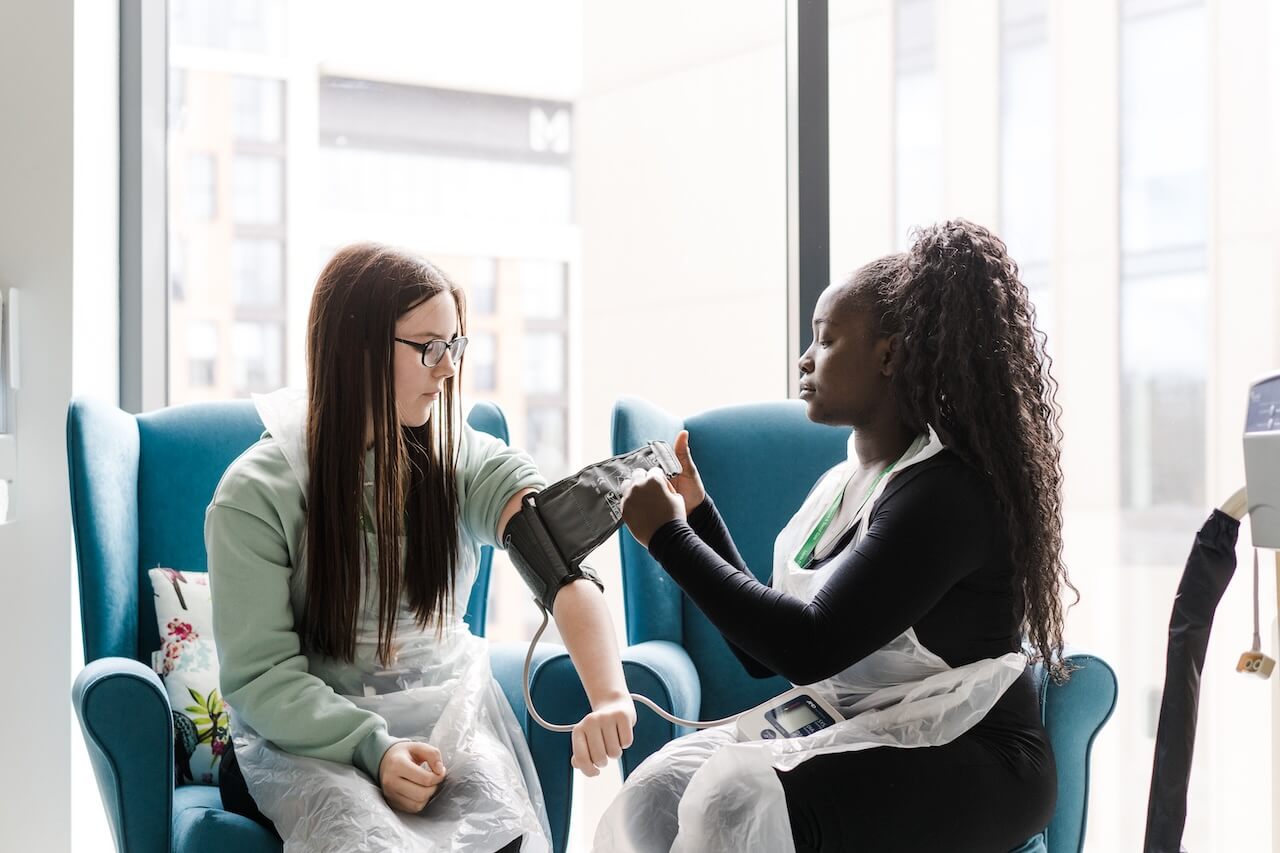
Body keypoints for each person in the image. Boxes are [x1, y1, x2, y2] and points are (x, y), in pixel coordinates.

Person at [602, 219, 1072, 852]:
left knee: (732, 799)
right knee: (660, 787)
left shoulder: (946, 493)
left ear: (889, 354)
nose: (804, 358)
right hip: (874, 726)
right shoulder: (847, 482)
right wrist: (697, 513)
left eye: (824, 340)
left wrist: (668, 539)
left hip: (974, 753)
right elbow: (762, 652)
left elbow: (810, 647)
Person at [206, 243, 636, 853]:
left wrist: (609, 693)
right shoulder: (255, 494)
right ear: (357, 352)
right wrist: (373, 749)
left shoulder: (463, 462)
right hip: (300, 742)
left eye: (456, 346)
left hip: (445, 723)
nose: (449, 369)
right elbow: (261, 678)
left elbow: (561, 567)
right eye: (429, 347)